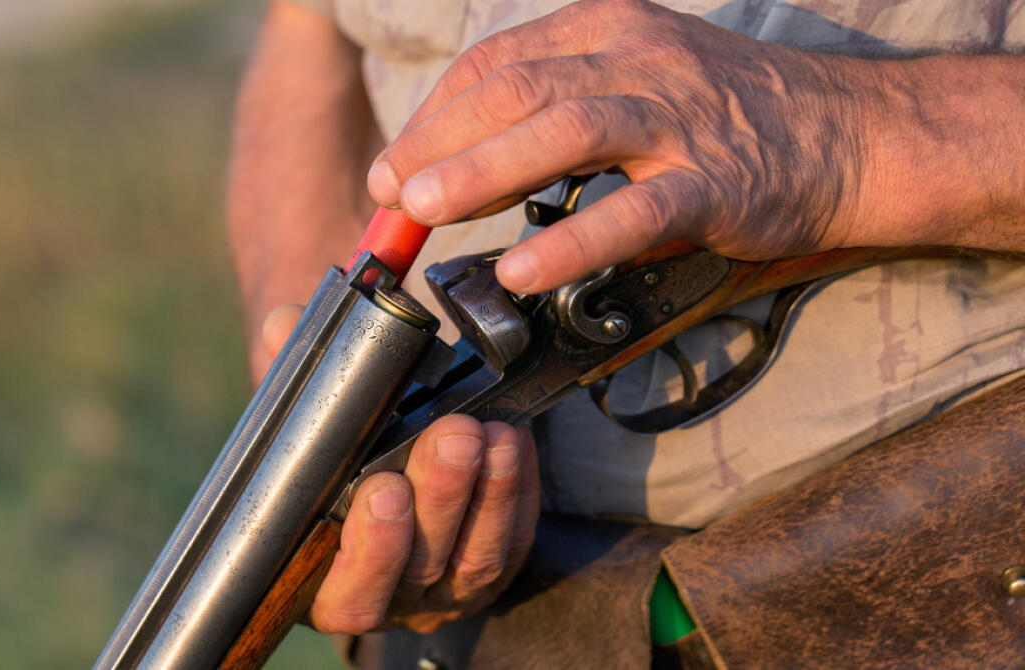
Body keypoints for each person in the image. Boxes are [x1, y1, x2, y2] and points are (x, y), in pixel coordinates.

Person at [226, 0, 1025, 660]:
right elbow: (307, 23)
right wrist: (323, 397)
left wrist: (855, 136)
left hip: (954, 586)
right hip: (516, 640)